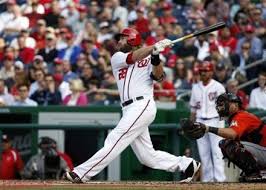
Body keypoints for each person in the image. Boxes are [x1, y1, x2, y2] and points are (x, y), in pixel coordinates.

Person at [65, 27, 200, 183]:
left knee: (114, 138)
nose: (119, 41)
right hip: (128, 108)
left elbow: (159, 76)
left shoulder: (149, 57)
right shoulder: (117, 57)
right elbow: (133, 58)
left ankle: (81, 173)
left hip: (142, 105)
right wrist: (154, 47)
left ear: (132, 40)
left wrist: (155, 57)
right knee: (147, 157)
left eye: (123, 38)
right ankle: (187, 164)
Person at [185, 93, 266, 182]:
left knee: (229, 144)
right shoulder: (237, 117)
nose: (221, 107)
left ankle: (256, 172)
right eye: (219, 105)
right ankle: (256, 171)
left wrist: (208, 128)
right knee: (227, 143)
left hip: (263, 151)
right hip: (262, 151)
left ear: (235, 105)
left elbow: (232, 134)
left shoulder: (241, 116)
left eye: (224, 104)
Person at [189, 61, 226, 182]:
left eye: (205, 71)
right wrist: (191, 124)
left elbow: (225, 107)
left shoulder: (218, 87)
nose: (203, 73)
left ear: (211, 72)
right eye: (201, 71)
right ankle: (208, 180)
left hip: (215, 121)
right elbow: (193, 108)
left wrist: (222, 123)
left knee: (217, 152)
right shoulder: (195, 87)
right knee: (204, 154)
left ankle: (220, 180)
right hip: (200, 121)